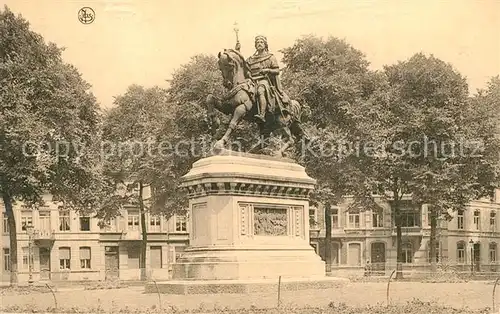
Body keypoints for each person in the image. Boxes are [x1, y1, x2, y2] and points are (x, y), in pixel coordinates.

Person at [244, 35, 289, 123]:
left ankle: (262, 114)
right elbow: (245, 69)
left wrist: (267, 70)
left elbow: (276, 70)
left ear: (265, 44)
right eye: (257, 42)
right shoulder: (250, 59)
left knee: (261, 89)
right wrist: (248, 74)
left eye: (261, 42)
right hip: (252, 80)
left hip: (264, 80)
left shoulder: (270, 57)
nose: (259, 44)